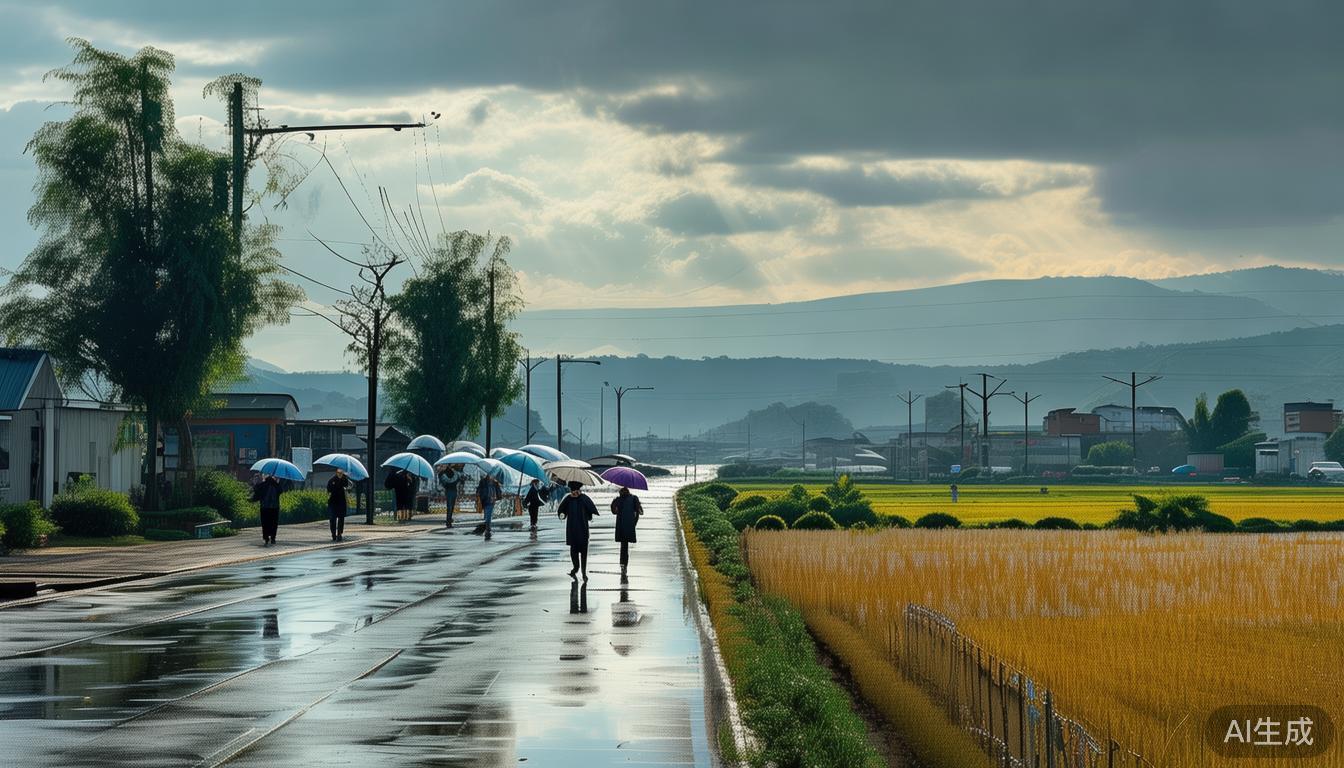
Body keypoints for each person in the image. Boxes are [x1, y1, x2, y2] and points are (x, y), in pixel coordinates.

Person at [557, 480, 598, 580]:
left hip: (581, 530)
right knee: (575, 552)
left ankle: (583, 572)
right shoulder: (569, 499)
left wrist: (589, 516)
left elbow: (590, 511)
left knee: (582, 553)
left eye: (575, 491)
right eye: (572, 491)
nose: (574, 493)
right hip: (574, 530)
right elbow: (562, 510)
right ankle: (576, 568)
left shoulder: (582, 499)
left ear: (579, 490)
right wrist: (562, 515)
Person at [610, 485, 644, 579]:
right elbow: (640, 512)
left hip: (621, 526)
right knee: (625, 546)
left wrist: (614, 503)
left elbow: (614, 511)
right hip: (629, 525)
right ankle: (624, 565)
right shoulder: (634, 498)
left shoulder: (618, 499)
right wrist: (634, 523)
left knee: (623, 546)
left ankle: (623, 565)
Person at [251, 473, 283, 545]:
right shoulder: (276, 485)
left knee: (265, 523)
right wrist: (277, 482)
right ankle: (273, 538)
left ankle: (266, 538)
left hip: (264, 507)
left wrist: (255, 484)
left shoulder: (263, 485)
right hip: (275, 507)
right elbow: (281, 491)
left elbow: (257, 491)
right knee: (274, 523)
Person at [326, 468, 351, 541]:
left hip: (341, 502)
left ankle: (339, 533)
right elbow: (328, 490)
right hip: (333, 502)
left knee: (341, 519)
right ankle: (333, 534)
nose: (340, 474)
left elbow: (348, 487)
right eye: (338, 472)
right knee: (332, 519)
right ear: (336, 473)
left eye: (341, 473)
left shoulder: (345, 479)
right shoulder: (332, 480)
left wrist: (346, 478)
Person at [438, 463, 464, 528]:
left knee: (451, 507)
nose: (442, 467)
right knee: (450, 507)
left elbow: (458, 480)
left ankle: (449, 519)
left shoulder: (453, 471)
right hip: (450, 490)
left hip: (452, 490)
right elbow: (448, 482)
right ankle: (448, 521)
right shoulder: (444, 473)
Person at [477, 472, 501, 539]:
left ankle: (487, 528)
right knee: (487, 514)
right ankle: (487, 527)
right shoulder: (483, 481)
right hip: (485, 500)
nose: (493, 476)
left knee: (488, 514)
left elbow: (498, 491)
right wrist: (479, 495)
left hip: (492, 501)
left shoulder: (495, 483)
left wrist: (498, 497)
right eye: (492, 475)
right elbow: (479, 489)